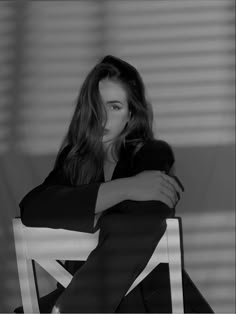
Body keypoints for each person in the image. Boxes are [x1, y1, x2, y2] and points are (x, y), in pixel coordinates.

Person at [14, 55, 213, 313]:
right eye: (97, 106)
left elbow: (146, 213)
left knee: (139, 219)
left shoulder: (152, 153)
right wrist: (129, 187)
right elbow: (32, 209)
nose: (103, 118)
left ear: (131, 114)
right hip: (96, 297)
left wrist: (87, 209)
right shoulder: (73, 161)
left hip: (148, 299)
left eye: (115, 107)